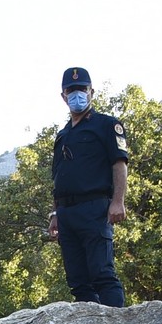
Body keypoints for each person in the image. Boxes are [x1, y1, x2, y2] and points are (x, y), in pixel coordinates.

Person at [47, 67, 128, 307]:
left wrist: (118, 201)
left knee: (102, 274)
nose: (77, 95)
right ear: (63, 96)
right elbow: (59, 177)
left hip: (95, 207)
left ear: (91, 91)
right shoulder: (63, 134)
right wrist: (55, 213)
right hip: (66, 213)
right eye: (71, 90)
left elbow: (119, 163)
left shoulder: (107, 125)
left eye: (82, 89)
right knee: (78, 282)